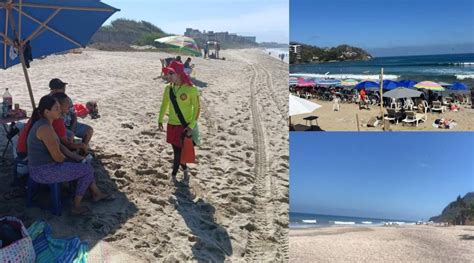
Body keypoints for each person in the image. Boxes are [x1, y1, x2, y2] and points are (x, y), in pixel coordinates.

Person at [27, 95, 112, 215]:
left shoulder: (46, 123)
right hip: (42, 171)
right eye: (56, 108)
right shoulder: (45, 128)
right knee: (87, 169)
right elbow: (58, 157)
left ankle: (96, 193)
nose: (60, 110)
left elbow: (60, 146)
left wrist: (76, 158)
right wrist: (72, 160)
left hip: (42, 167)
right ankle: (76, 206)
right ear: (47, 111)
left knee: (84, 163)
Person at [158, 61, 200, 186]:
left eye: (172, 73)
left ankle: (174, 175)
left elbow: (197, 109)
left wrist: (191, 126)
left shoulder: (191, 89)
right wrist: (160, 119)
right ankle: (185, 169)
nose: (168, 76)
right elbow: (164, 104)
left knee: (178, 152)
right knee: (177, 150)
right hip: (171, 124)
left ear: (180, 74)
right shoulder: (168, 88)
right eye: (167, 73)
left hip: (184, 126)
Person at [49, 78, 94, 150]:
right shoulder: (48, 100)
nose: (64, 90)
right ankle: (73, 150)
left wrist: (73, 126)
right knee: (69, 136)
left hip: (70, 123)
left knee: (89, 130)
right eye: (62, 88)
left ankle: (83, 150)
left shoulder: (66, 98)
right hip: (57, 126)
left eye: (64, 88)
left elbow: (73, 114)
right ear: (54, 90)